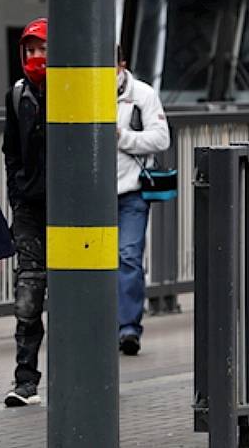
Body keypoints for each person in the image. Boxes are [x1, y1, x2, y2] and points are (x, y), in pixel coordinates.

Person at [2, 17, 48, 407]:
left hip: (73, 213)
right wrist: (18, 194)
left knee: (72, 295)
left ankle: (75, 370)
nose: (35, 58)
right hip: (31, 208)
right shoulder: (17, 95)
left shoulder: (76, 92)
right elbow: (11, 150)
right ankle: (25, 379)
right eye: (30, 51)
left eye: (42, 50)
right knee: (28, 296)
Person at [115, 48, 170, 356]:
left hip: (133, 191)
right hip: (93, 197)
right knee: (100, 263)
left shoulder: (143, 95)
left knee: (128, 255)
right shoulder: (85, 92)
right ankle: (106, 322)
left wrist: (123, 137)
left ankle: (129, 328)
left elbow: (162, 139)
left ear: (121, 65)